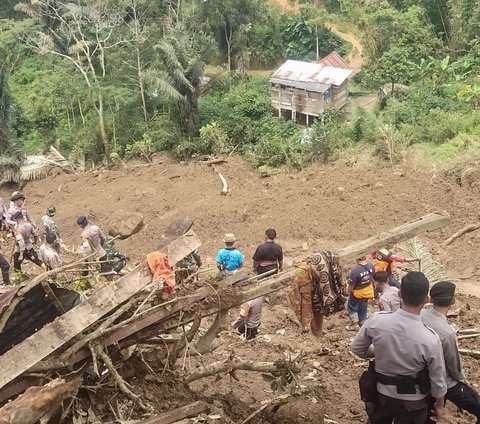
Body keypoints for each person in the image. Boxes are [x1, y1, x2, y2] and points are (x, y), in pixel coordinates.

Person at [351, 271, 447, 424]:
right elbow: (438, 380)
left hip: (382, 395)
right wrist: (440, 406)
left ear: (400, 294)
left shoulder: (377, 321)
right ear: (427, 299)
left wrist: (378, 351)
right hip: (413, 402)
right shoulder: (430, 339)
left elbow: (357, 348)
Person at [421, 281, 480, 423]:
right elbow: (453, 364)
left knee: (429, 415)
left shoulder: (421, 314)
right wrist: (463, 380)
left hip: (422, 375)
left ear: (431, 299)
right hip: (445, 381)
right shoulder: (447, 333)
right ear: (452, 301)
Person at [77, 215, 113, 279]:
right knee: (108, 271)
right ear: (87, 221)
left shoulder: (83, 235)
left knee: (100, 275)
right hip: (102, 252)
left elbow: (87, 249)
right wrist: (100, 245)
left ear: (81, 225)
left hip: (95, 257)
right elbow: (103, 238)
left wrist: (90, 260)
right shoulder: (95, 228)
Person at [346, 255, 375, 329]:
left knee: (352, 307)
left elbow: (351, 285)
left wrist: (348, 291)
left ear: (357, 259)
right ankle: (362, 321)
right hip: (368, 291)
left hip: (357, 293)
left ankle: (355, 324)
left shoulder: (355, 271)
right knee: (363, 306)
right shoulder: (371, 265)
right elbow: (373, 277)